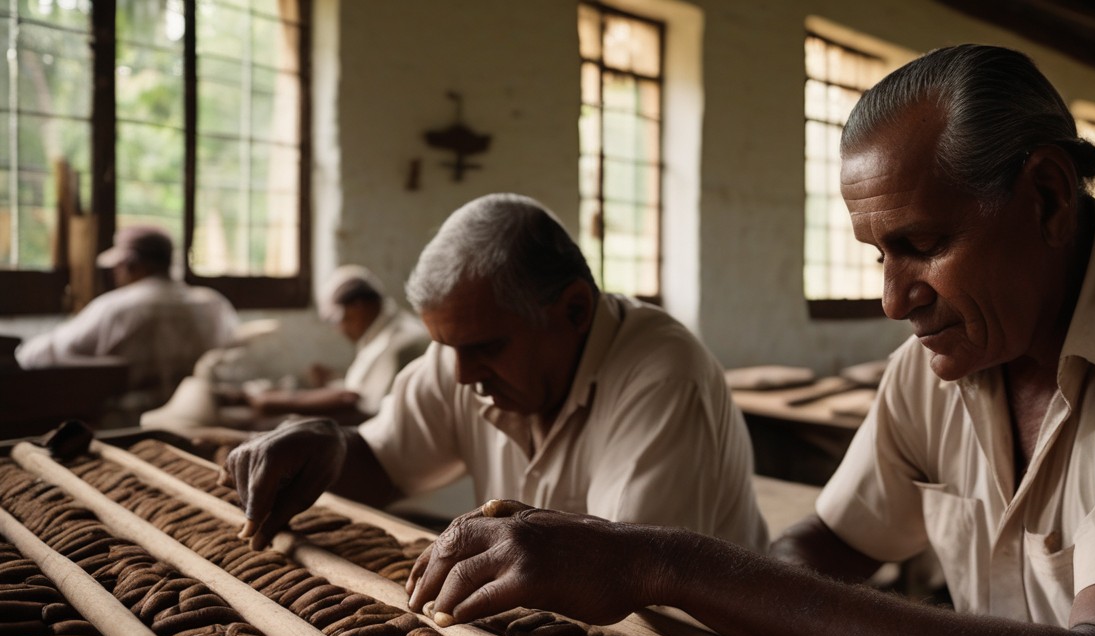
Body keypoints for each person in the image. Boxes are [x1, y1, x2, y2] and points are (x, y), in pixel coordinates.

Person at [401, 46, 1095, 636]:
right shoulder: (938, 367)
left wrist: (661, 559)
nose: (894, 299)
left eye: (921, 245)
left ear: (1050, 196)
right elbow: (822, 551)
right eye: (876, 254)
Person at [224, 192, 768, 553]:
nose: (461, 375)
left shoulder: (662, 377)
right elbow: (385, 462)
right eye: (449, 348)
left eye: (485, 347)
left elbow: (629, 574)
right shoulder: (463, 350)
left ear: (575, 311)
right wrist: (332, 448)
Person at [15, 225, 238, 400]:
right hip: (198, 416)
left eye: (118, 267)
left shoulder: (118, 307)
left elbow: (41, 355)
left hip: (125, 426)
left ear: (131, 264)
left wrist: (20, 350)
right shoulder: (214, 304)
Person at [243, 264, 429, 423]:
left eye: (339, 319)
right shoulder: (391, 330)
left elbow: (362, 409)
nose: (340, 329)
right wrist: (335, 380)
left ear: (359, 306)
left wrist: (280, 403)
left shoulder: (399, 345)